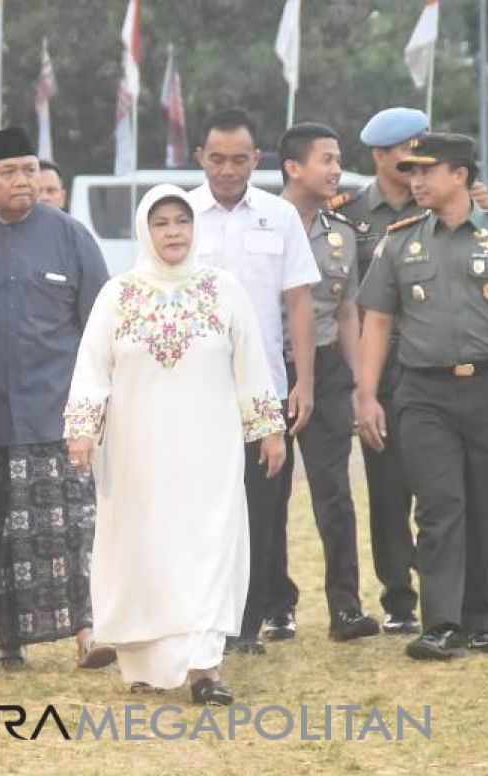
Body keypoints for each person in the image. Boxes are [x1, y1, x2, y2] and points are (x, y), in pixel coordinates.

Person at [65, 185, 285, 704]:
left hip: (209, 448)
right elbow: (92, 366)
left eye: (181, 222)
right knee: (146, 550)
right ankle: (145, 659)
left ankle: (204, 669)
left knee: (207, 544)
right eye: (161, 223)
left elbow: (251, 361)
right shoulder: (118, 294)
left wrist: (268, 427)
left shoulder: (222, 289)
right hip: (137, 451)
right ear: (146, 229)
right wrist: (82, 428)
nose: (172, 233)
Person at [0, 127, 110, 670]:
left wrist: (97, 405)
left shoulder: (71, 236)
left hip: (58, 413)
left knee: (74, 529)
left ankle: (90, 631)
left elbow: (99, 327)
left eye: (30, 169)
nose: (24, 181)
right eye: (10, 172)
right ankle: (8, 641)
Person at [188, 108, 319, 655]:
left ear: (256, 160)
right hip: (193, 388)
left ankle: (247, 623)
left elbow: (298, 304)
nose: (226, 169)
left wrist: (303, 381)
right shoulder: (179, 215)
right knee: (200, 505)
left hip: (263, 388)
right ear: (200, 157)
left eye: (238, 159)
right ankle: (200, 617)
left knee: (262, 504)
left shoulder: (279, 216)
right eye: (216, 158)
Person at [356, 133, 488, 661]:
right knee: (439, 507)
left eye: (427, 171)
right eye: (411, 172)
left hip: (486, 384)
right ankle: (441, 623)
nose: (415, 181)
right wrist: (366, 393)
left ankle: (483, 618)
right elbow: (379, 319)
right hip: (423, 393)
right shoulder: (401, 239)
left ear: (460, 175)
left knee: (484, 503)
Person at [266, 123, 380, 643]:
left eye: (338, 159)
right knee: (268, 492)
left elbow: (350, 310)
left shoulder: (342, 234)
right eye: (327, 160)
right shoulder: (260, 225)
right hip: (269, 369)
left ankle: (346, 608)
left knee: (334, 491)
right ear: (293, 167)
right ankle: (275, 604)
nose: (337, 169)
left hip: (330, 369)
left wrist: (360, 385)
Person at [332, 107, 429, 635]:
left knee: (441, 485)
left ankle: (445, 586)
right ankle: (398, 595)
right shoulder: (348, 211)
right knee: (388, 489)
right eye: (407, 152)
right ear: (380, 156)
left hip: (429, 364)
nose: (417, 163)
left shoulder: (440, 202)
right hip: (376, 368)